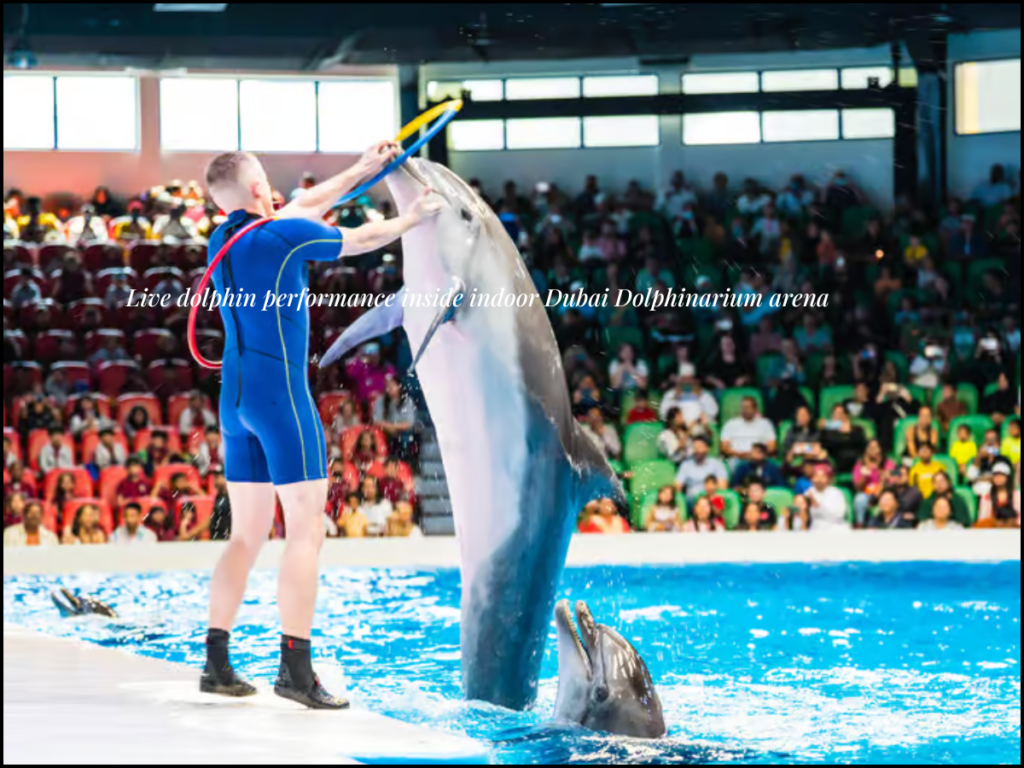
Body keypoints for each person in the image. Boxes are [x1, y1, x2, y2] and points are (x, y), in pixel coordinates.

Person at [852, 440, 896, 528]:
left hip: (884, 491)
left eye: (876, 447)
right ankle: (860, 524)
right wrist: (864, 476)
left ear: (880, 449)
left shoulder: (889, 463)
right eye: (870, 447)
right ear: (866, 450)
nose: (873, 450)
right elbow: (857, 487)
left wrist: (882, 477)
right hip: (866, 492)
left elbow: (893, 481)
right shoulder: (859, 465)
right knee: (859, 499)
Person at [721, 397, 777, 463]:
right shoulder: (731, 424)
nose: (745, 410)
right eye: (743, 407)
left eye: (748, 407)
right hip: (737, 459)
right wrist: (740, 454)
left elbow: (772, 447)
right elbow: (724, 447)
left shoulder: (765, 424)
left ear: (755, 409)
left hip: (760, 458)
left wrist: (757, 454)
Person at [675, 436, 728, 502]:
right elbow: (677, 487)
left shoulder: (717, 464)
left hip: (711, 498)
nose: (696, 450)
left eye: (700, 447)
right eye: (694, 447)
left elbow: (722, 488)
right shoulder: (686, 465)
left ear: (707, 449)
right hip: (692, 501)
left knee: (719, 502)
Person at [803, 464, 849, 532]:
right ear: (812, 479)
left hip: (836, 528)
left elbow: (839, 516)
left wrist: (818, 505)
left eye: (822, 476)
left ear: (828, 479)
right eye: (816, 476)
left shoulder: (837, 493)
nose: (819, 479)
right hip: (816, 529)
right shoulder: (808, 493)